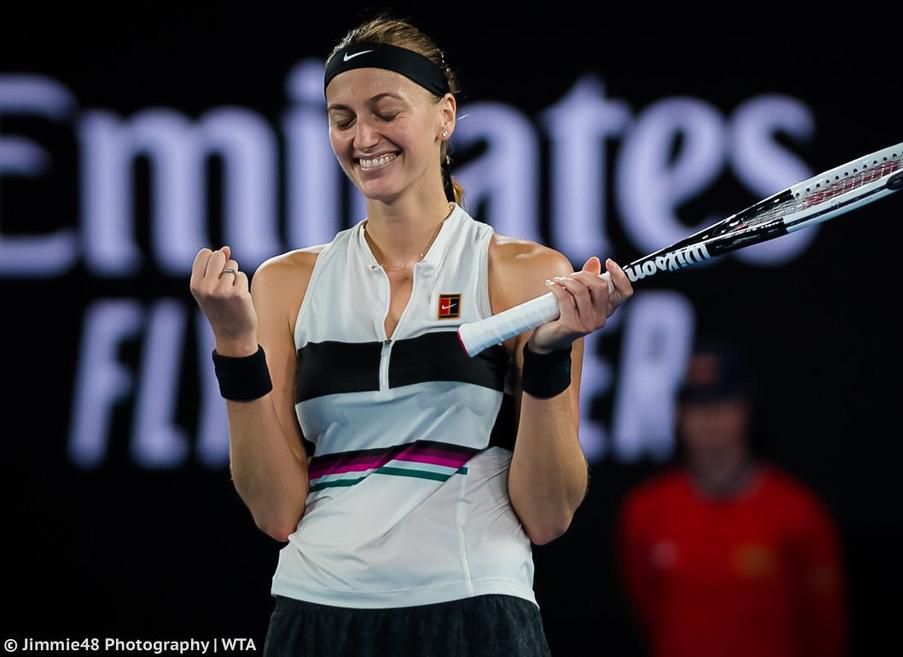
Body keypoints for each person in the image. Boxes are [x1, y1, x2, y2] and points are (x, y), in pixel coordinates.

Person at [188, 13, 634, 657]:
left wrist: (547, 356)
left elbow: (548, 515)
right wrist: (235, 348)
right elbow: (276, 513)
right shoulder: (284, 284)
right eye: (342, 119)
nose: (363, 137)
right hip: (316, 617)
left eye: (385, 111)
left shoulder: (525, 274)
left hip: (475, 614)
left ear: (444, 116)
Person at [615, 339, 847, 657]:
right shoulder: (645, 510)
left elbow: (825, 624)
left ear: (746, 409)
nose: (710, 417)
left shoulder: (797, 511)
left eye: (722, 401)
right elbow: (645, 609)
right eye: (697, 405)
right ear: (678, 414)